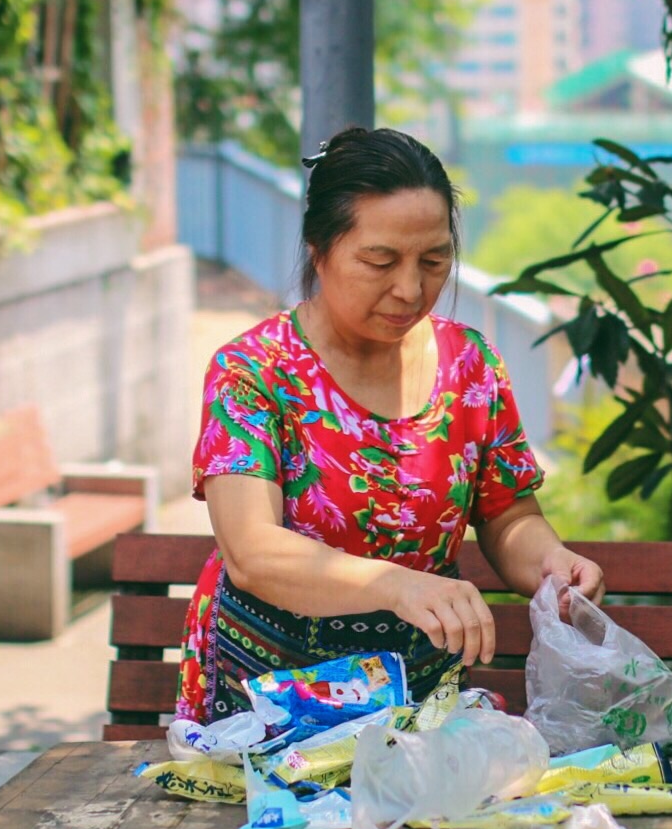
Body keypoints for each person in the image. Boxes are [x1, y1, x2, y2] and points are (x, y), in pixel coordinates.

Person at [175, 127, 605, 723]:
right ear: (318, 249)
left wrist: (550, 564)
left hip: (419, 704)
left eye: (434, 261)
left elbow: (509, 515)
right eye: (380, 261)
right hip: (269, 700)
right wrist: (401, 586)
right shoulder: (254, 371)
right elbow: (252, 551)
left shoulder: (470, 365)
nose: (410, 289)